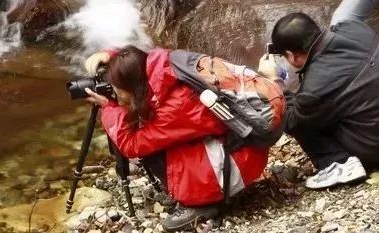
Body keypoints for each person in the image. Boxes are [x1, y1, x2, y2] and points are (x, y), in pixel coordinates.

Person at [83, 46, 279, 232]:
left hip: (239, 164)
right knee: (151, 131)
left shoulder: (178, 105)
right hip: (242, 146)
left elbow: (132, 145)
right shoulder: (167, 67)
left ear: (133, 85)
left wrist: (110, 108)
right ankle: (204, 190)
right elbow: (143, 56)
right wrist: (113, 56)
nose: (115, 94)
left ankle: (204, 203)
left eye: (117, 90)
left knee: (150, 149)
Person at [257, 12, 379, 189]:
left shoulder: (318, 84)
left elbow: (290, 121)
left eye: (284, 57)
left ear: (292, 56)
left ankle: (337, 164)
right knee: (325, 104)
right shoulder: (353, 27)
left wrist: (275, 81)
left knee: (298, 117)